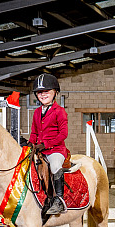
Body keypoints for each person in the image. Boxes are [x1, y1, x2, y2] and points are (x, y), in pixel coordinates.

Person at [28, 73, 68, 215]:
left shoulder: (60, 111)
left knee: (56, 166)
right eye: (40, 92)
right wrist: (30, 144)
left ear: (55, 92)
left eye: (46, 91)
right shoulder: (37, 112)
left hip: (55, 150)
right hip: (39, 150)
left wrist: (46, 144)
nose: (43, 95)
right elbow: (34, 133)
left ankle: (59, 200)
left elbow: (63, 134)